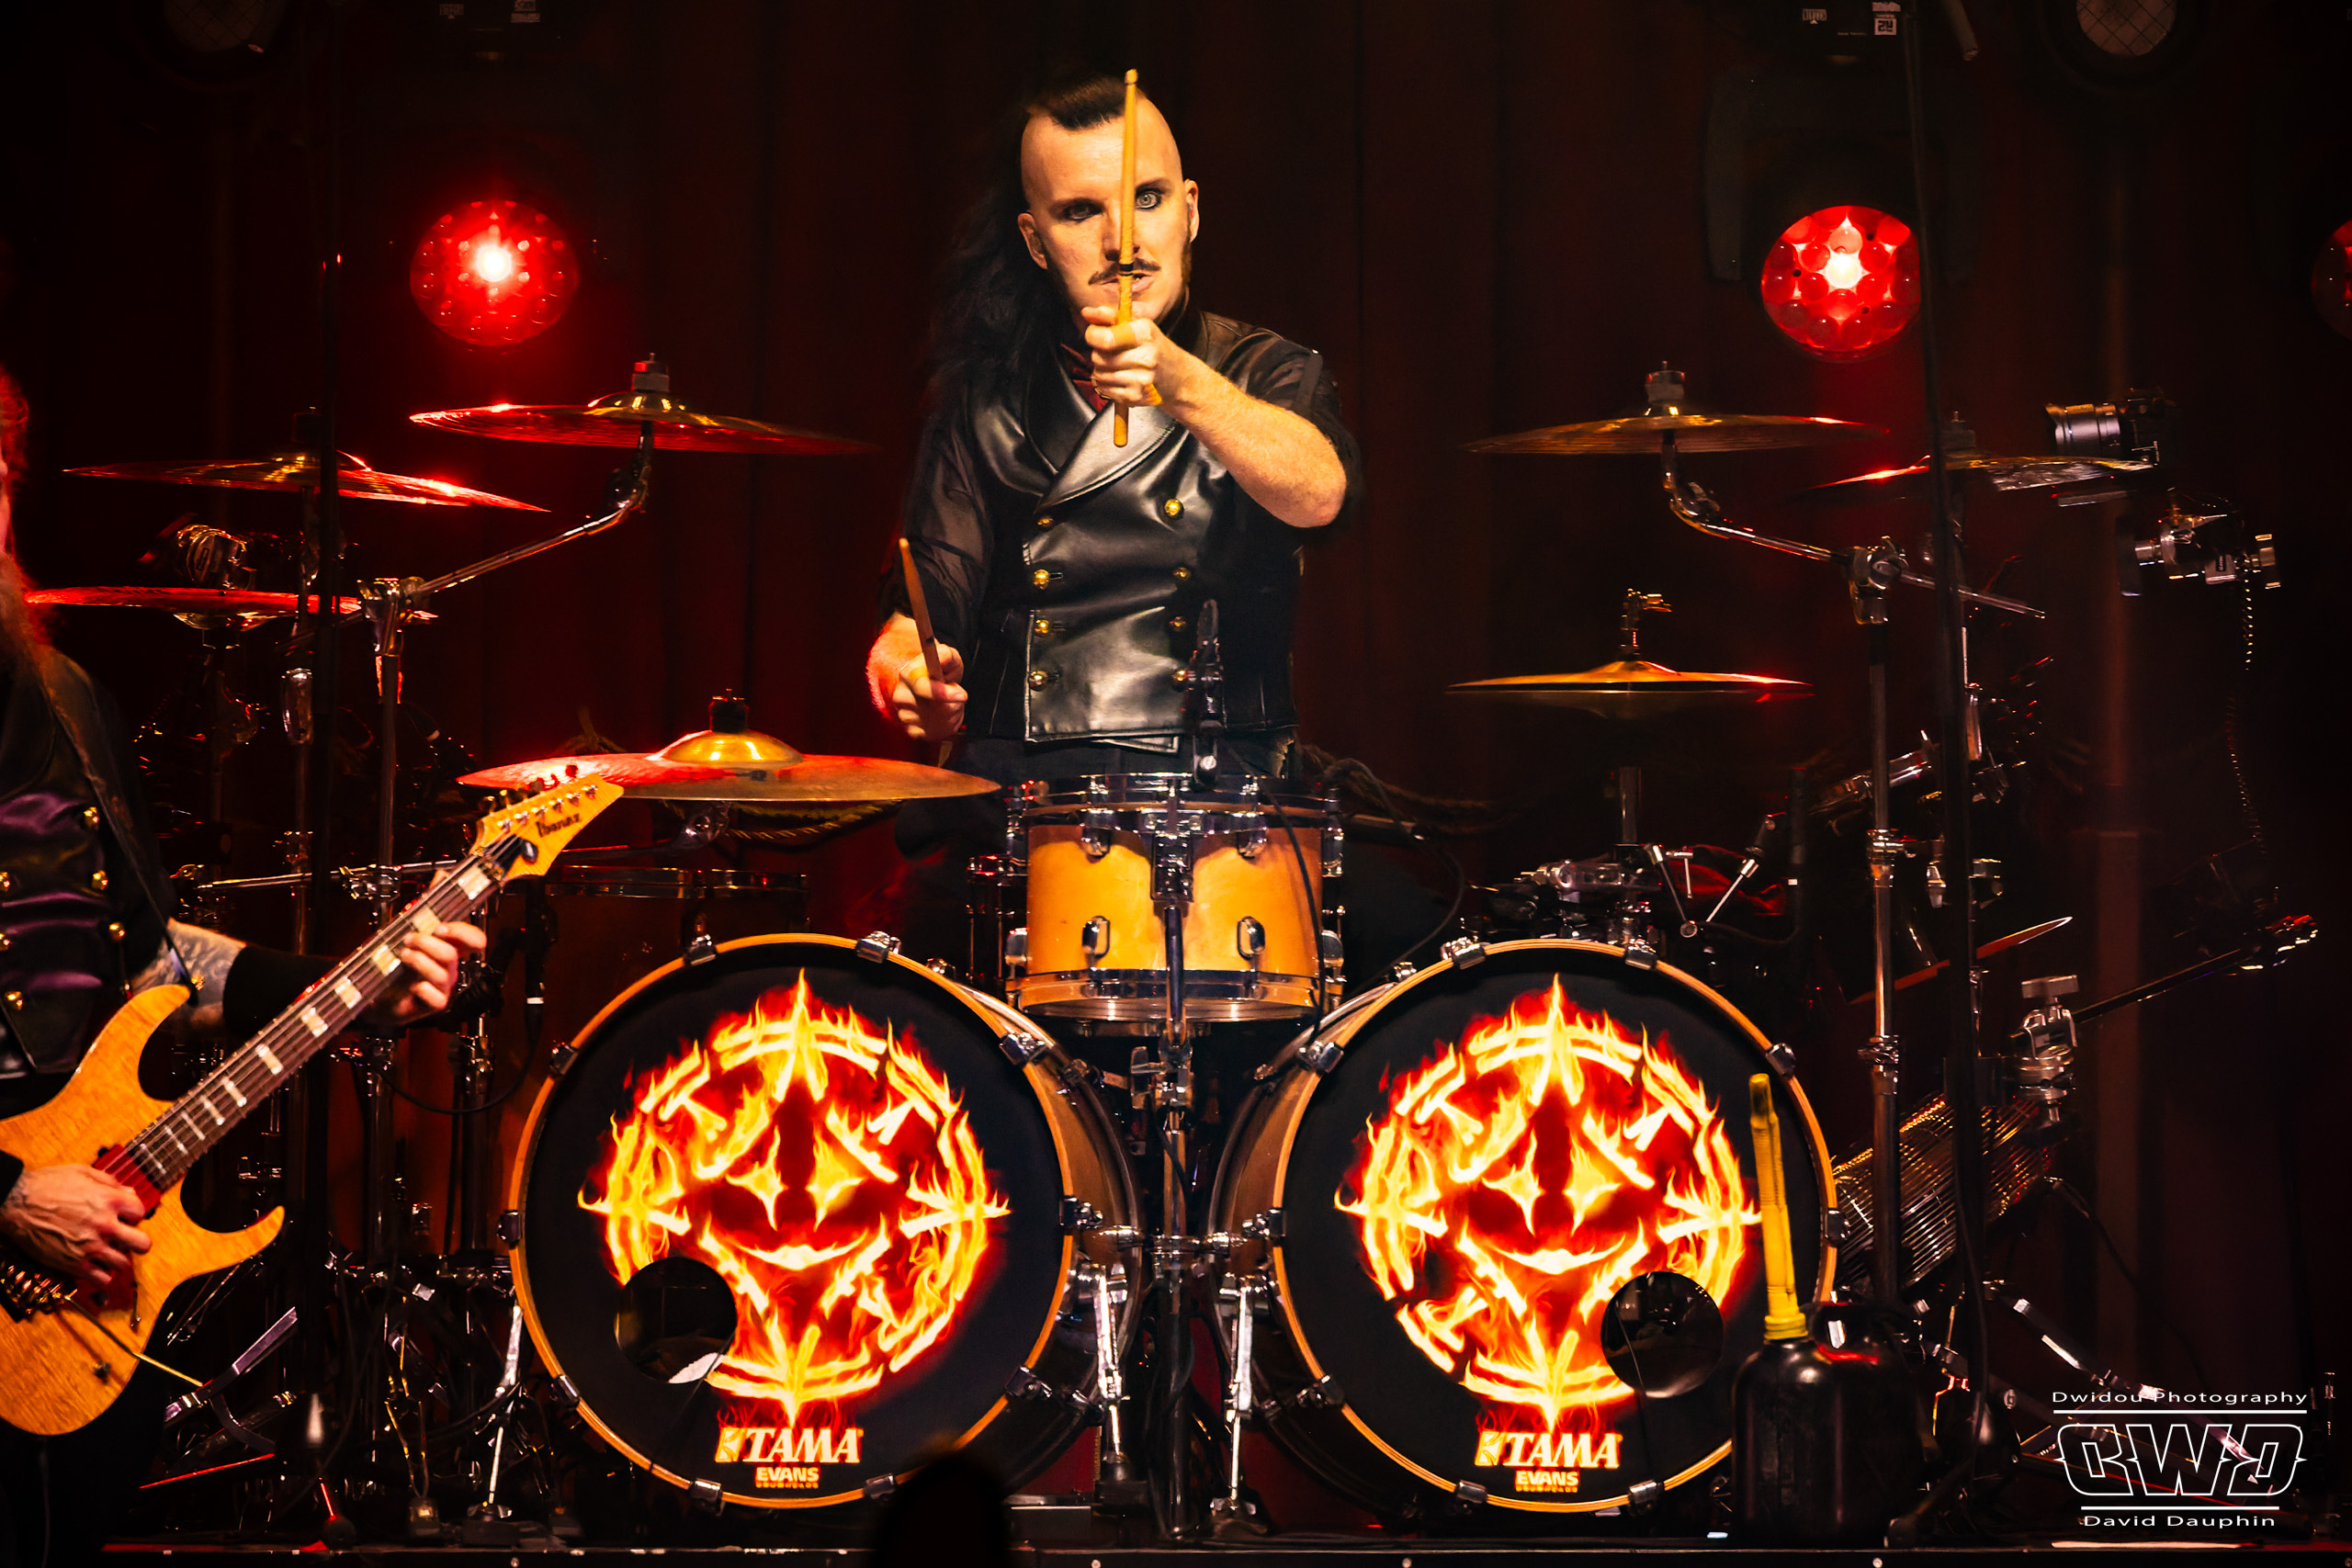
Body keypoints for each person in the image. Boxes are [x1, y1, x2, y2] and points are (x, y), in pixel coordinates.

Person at [0, 366, 485, 1563]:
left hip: (80, 1278)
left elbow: (155, 960)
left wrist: (355, 984)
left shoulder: (61, 699)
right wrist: (6, 1195)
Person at [860, 73, 1366, 963]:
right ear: (1035, 239)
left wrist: (1183, 383)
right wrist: (910, 673)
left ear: (1191, 211)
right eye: (1080, 210)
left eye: (1148, 199)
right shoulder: (983, 399)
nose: (1122, 239)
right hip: (1016, 799)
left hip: (1221, 796)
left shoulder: (1268, 372)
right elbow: (923, 604)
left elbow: (1319, 492)